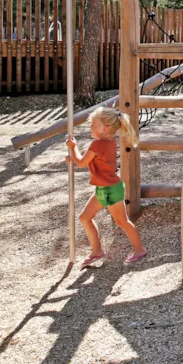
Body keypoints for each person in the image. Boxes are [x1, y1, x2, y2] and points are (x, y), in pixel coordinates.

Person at [66, 107, 147, 267]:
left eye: (94, 125)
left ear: (106, 128)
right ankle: (97, 251)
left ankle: (140, 250)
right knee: (85, 217)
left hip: (110, 189)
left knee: (121, 221)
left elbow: (82, 163)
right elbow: (91, 161)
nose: (90, 127)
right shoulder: (109, 141)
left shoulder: (97, 144)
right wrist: (73, 158)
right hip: (103, 188)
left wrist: (73, 147)